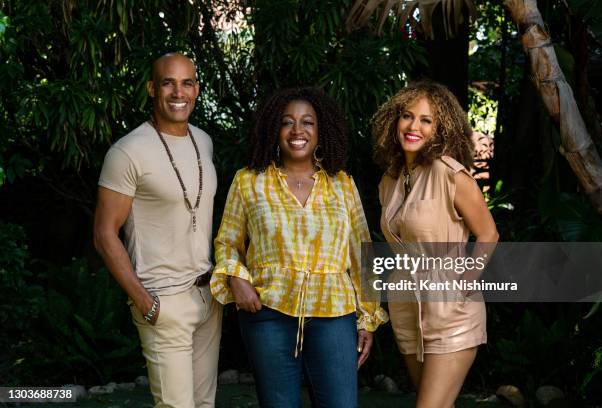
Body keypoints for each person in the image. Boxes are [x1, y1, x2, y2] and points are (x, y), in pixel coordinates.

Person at [210, 87, 388, 407]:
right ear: (273, 130)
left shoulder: (342, 184)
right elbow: (227, 241)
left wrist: (367, 318)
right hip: (268, 311)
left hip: (333, 312)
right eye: (287, 122)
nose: (297, 131)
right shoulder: (249, 180)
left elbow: (362, 253)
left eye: (307, 122)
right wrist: (237, 278)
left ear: (321, 132)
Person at [93, 53, 221, 408]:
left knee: (204, 405)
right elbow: (104, 234)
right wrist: (145, 302)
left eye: (187, 83)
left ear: (196, 89)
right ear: (152, 88)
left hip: (207, 298)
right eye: (168, 82)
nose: (178, 92)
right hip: (163, 301)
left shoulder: (203, 141)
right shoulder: (128, 152)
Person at [372, 81, 499, 408]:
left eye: (426, 120)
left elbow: (488, 234)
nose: (414, 126)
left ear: (441, 128)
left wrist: (465, 282)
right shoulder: (389, 180)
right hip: (404, 305)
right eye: (407, 116)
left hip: (450, 311)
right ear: (394, 121)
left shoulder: (451, 174)